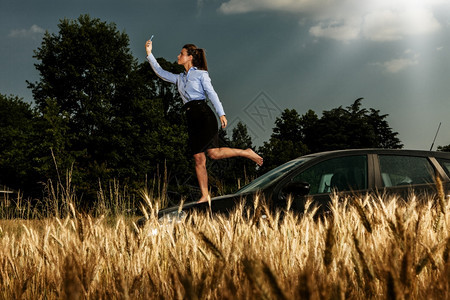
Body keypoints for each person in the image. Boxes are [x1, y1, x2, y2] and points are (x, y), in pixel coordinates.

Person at [145, 40, 263, 203]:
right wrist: (149, 53)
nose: (178, 56)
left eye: (181, 54)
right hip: (191, 119)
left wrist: (221, 113)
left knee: (213, 154)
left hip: (204, 115)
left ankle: (246, 153)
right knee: (199, 158)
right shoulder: (179, 78)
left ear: (190, 57)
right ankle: (205, 194)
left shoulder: (201, 74)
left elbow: (211, 93)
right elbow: (161, 72)